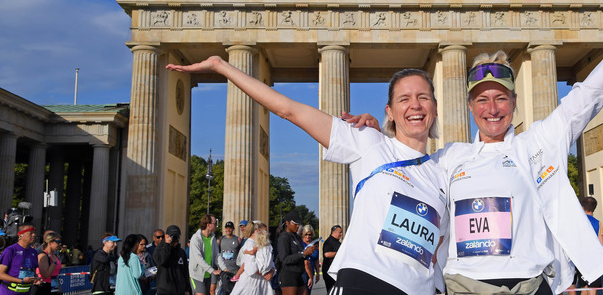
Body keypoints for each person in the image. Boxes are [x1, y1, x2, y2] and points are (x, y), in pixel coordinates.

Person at [429, 0, 603, 294]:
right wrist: (370, 129)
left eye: (500, 98)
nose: (492, 109)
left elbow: (593, 89)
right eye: (482, 100)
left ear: (514, 102)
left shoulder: (539, 142)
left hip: (529, 285)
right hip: (463, 286)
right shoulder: (450, 157)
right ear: (470, 106)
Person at [167, 48, 449, 294]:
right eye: (404, 98)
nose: (415, 105)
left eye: (423, 97)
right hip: (364, 281)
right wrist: (221, 66)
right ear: (389, 110)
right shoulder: (370, 143)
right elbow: (289, 110)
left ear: (435, 108)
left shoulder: (445, 170)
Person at [574, 197, 603, 295]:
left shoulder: (577, 222)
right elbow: (602, 245)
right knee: (593, 287)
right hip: (594, 260)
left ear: (582, 207)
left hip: (581, 259)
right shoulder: (597, 223)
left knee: (584, 287)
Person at [231, 223, 274, 295]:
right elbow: (250, 266)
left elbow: (270, 261)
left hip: (261, 281)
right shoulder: (250, 243)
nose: (266, 234)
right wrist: (264, 273)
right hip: (251, 281)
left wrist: (271, 271)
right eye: (263, 232)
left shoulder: (265, 244)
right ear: (257, 231)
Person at [275, 212, 312, 295]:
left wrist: (308, 253)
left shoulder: (297, 237)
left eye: (298, 224)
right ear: (287, 223)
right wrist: (303, 254)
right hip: (288, 275)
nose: (298, 226)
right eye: (295, 223)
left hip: (299, 274)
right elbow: (284, 259)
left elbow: (301, 255)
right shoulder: (284, 237)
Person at [0, 224, 39, 295]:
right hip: (9, 291)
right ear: (20, 235)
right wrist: (21, 281)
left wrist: (36, 278)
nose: (34, 235)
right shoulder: (10, 250)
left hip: (26, 292)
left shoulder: (34, 252)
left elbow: (33, 271)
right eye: (30, 233)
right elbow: (0, 274)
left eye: (34, 233)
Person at [188, 215, 221, 295]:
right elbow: (199, 259)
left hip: (208, 275)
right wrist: (212, 270)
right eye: (215, 223)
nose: (216, 225)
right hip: (197, 275)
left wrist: (225, 268)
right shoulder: (195, 238)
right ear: (208, 225)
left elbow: (217, 255)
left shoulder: (212, 238)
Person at [153, 226, 189, 295]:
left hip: (180, 291)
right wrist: (167, 245)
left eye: (177, 236)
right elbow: (160, 261)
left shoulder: (181, 252)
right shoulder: (159, 249)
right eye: (172, 236)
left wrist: (187, 289)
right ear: (166, 236)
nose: (174, 238)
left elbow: (185, 272)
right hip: (165, 290)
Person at [218, 222, 240, 295]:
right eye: (227, 228)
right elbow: (217, 254)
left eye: (230, 228)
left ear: (233, 229)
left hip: (234, 271)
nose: (228, 229)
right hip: (224, 271)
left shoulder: (238, 240)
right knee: (222, 291)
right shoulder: (221, 239)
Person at [321, 225, 341, 294]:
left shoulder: (337, 242)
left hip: (336, 272)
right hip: (329, 272)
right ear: (334, 232)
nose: (341, 234)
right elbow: (327, 254)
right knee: (331, 292)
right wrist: (338, 253)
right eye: (340, 232)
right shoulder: (329, 241)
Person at [299, 226, 318, 295]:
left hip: (311, 271)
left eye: (309, 234)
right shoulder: (300, 244)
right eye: (306, 234)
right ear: (302, 234)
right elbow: (305, 262)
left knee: (309, 292)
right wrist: (310, 276)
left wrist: (318, 273)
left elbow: (316, 260)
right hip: (302, 272)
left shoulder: (314, 244)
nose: (308, 236)